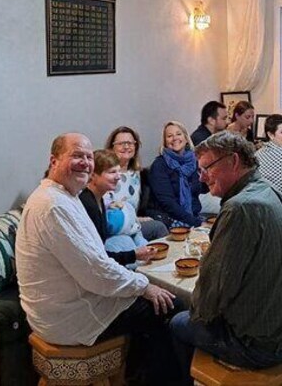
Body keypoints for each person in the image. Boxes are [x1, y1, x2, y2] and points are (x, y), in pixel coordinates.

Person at [15, 133, 181, 382]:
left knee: (152, 300)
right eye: (76, 156)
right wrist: (145, 286)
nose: (85, 162)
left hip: (68, 303)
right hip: (67, 318)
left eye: (88, 157)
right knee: (168, 306)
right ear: (54, 161)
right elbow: (96, 271)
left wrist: (138, 283)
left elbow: (95, 261)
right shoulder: (53, 205)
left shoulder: (65, 196)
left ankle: (138, 375)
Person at [170, 131, 282, 375]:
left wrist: (194, 308)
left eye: (207, 168)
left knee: (177, 322)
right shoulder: (269, 190)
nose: (202, 178)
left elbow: (211, 293)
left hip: (261, 344)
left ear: (234, 161)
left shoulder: (240, 208)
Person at [78, 149, 154, 266]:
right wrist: (134, 255)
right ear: (93, 175)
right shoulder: (87, 204)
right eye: (112, 172)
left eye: (118, 172)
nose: (118, 177)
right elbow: (95, 257)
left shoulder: (100, 199)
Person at [104, 126, 168, 240]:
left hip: (134, 223)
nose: (126, 147)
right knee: (158, 228)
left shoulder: (140, 174)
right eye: (121, 143)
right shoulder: (104, 174)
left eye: (130, 143)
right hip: (113, 225)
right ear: (111, 147)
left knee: (159, 224)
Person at [147, 121, 203, 228]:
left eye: (178, 134)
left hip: (193, 216)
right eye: (169, 136)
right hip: (169, 217)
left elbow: (195, 196)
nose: (174, 138)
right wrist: (196, 223)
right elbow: (168, 203)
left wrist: (197, 219)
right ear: (165, 142)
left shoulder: (194, 161)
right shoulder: (159, 165)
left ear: (186, 138)